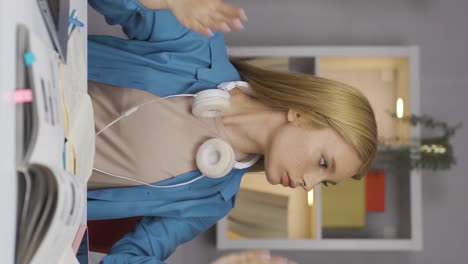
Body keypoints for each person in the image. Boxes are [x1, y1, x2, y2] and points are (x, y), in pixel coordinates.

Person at [84, 0, 378, 263]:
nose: (310, 184)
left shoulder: (214, 199)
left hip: (39, 180)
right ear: (301, 113)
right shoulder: (197, 46)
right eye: (323, 163)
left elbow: (133, 258)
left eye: (324, 182)